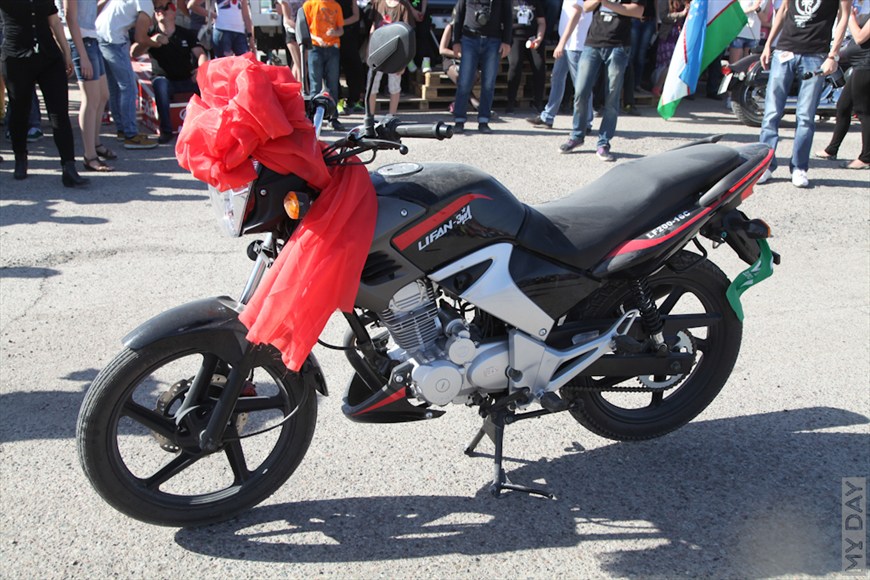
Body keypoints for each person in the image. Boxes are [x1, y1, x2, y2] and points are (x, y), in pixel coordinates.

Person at [756, 0, 850, 187]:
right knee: (771, 114)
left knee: (806, 116)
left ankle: (799, 167)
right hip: (784, 50)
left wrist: (833, 55)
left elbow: (844, 17)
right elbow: (784, 9)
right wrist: (768, 44)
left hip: (815, 54)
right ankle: (765, 165)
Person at [0, 0, 88, 186]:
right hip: (16, 57)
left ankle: (69, 167)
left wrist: (66, 53)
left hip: (49, 57)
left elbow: (54, 21)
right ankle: (20, 158)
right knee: (19, 111)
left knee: (59, 113)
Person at [559, 0, 644, 161]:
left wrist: (607, 3)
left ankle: (603, 143)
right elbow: (586, 7)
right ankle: (577, 135)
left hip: (619, 45)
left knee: (612, 97)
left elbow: (637, 11)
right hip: (593, 42)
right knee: (580, 91)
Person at [96, 0, 163, 150]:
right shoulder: (146, 3)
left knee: (115, 87)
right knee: (129, 88)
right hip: (113, 41)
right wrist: (155, 43)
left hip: (103, 36)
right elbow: (140, 38)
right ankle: (131, 135)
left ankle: (122, 129)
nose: (164, 7)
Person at [138, 1, 207, 144]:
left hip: (186, 78)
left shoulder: (185, 33)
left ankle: (206, 125)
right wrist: (150, 41)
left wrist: (201, 70)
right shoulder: (150, 33)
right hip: (164, 79)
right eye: (157, 9)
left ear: (174, 10)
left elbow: (201, 54)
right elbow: (134, 52)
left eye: (165, 7)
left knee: (205, 81)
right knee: (161, 85)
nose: (161, 11)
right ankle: (166, 130)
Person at [815, 3, 870, 170]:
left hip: (866, 65)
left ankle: (866, 157)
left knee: (863, 111)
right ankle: (832, 149)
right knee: (843, 106)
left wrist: (850, 17)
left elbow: (860, 37)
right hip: (859, 65)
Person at [63, 0, 115, 172]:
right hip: (81, 43)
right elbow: (70, 17)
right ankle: (89, 155)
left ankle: (95, 143)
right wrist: (83, 56)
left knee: (103, 95)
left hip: (92, 40)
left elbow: (89, 14)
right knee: (91, 100)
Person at [450, 0, 513, 133]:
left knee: (488, 84)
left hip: (493, 40)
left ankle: (484, 120)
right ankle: (459, 120)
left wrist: (507, 41)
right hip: (469, 39)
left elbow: (508, 16)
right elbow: (459, 14)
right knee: (464, 82)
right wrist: (456, 41)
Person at [527, 0, 593, 128]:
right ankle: (548, 116)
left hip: (575, 45)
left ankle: (586, 122)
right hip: (568, 44)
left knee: (581, 85)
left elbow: (576, 14)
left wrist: (561, 43)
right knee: (557, 78)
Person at [303, 0, 344, 129]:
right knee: (315, 84)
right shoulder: (309, 5)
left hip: (332, 47)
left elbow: (341, 29)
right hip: (315, 47)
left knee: (332, 84)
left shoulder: (336, 6)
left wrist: (335, 33)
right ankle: (313, 118)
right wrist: (316, 38)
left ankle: (333, 118)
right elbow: (304, 29)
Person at [368, 0, 413, 115]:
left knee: (394, 85)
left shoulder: (403, 7)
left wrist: (403, 63)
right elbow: (373, 27)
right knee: (372, 84)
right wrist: (370, 49)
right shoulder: (378, 3)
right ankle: (370, 115)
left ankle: (391, 116)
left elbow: (407, 34)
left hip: (396, 51)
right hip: (378, 49)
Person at [506, 0, 547, 113]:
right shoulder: (510, 2)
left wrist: (539, 38)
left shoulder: (535, 2)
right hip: (515, 37)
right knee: (515, 64)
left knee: (539, 65)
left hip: (532, 37)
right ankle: (511, 101)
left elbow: (541, 22)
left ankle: (538, 102)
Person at [439, 21, 483, 112]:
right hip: (451, 60)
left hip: (467, 60)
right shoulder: (450, 27)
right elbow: (442, 50)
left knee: (475, 75)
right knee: (459, 76)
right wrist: (459, 55)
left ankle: (457, 103)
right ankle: (476, 103)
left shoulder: (471, 28)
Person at [650, 0, 687, 97]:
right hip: (667, 37)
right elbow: (664, 17)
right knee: (669, 64)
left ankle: (666, 89)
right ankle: (657, 87)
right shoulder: (665, 1)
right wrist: (681, 14)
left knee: (677, 64)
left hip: (679, 36)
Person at [336, 0, 365, 113]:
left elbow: (356, 16)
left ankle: (355, 100)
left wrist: (340, 22)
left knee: (354, 68)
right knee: (333, 71)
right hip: (333, 37)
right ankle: (338, 101)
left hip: (349, 34)